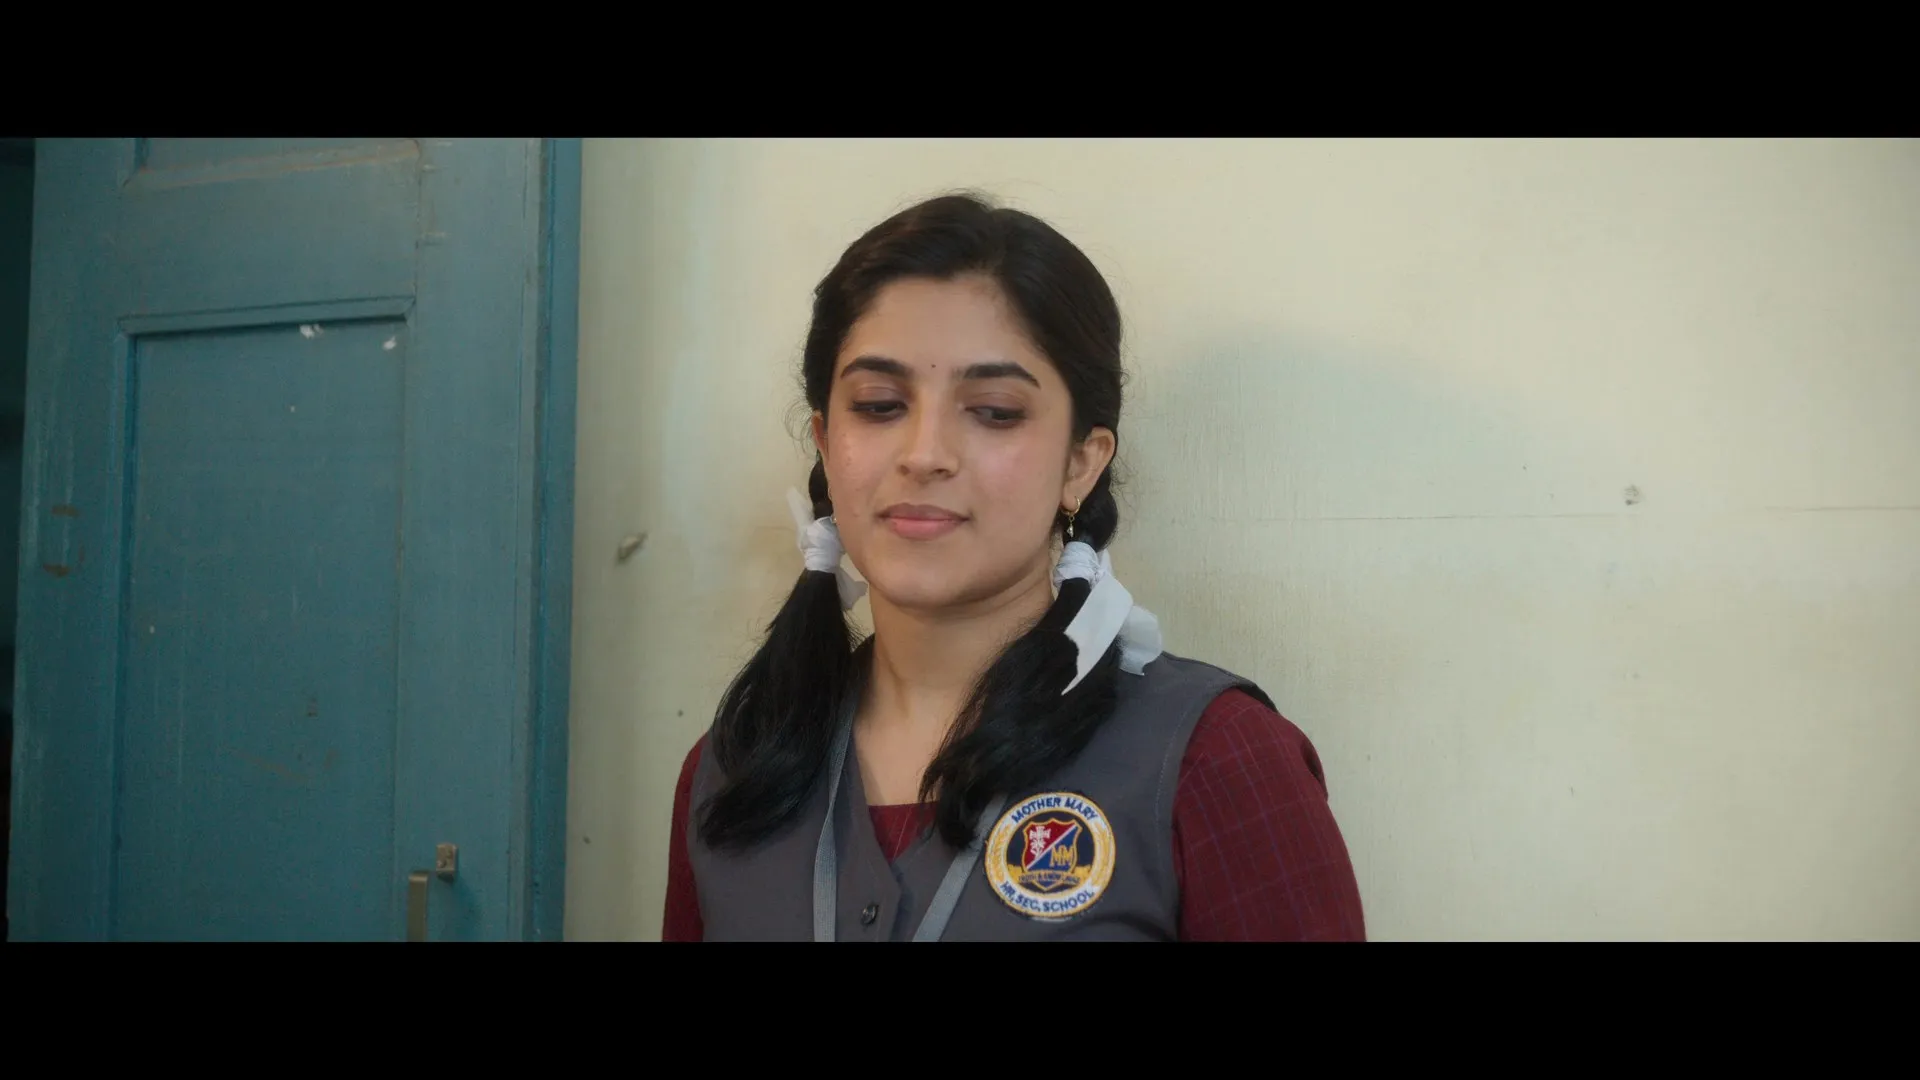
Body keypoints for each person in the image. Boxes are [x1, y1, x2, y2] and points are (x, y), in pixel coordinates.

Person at [661, 193, 1365, 941]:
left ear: (1082, 463)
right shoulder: (733, 771)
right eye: (879, 404)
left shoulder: (1215, 758)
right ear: (826, 443)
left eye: (995, 411)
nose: (925, 454)